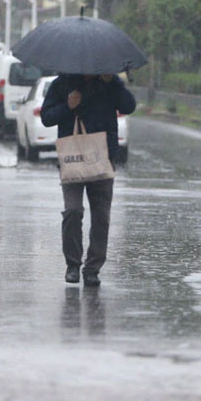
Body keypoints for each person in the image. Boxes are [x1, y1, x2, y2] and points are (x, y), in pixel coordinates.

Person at [41, 73, 136, 287]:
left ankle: (92, 268)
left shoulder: (109, 82)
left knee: (101, 216)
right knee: (73, 211)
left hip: (103, 157)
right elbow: (47, 117)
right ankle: (73, 265)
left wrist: (114, 83)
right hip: (72, 158)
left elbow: (129, 106)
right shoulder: (62, 83)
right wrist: (68, 105)